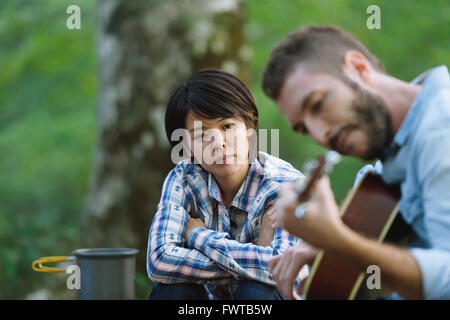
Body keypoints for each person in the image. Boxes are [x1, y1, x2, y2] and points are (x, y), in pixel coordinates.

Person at [261, 25, 450, 300]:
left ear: (358, 68)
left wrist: (337, 241)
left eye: (317, 104)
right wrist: (328, 244)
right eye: (303, 129)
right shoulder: (395, 150)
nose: (319, 134)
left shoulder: (440, 131)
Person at [146, 69, 306, 300]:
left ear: (249, 124)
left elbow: (285, 271)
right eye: (201, 135)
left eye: (227, 126)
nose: (218, 144)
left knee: (257, 290)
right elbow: (159, 260)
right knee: (172, 291)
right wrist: (253, 264)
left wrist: (198, 235)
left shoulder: (283, 184)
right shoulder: (183, 179)